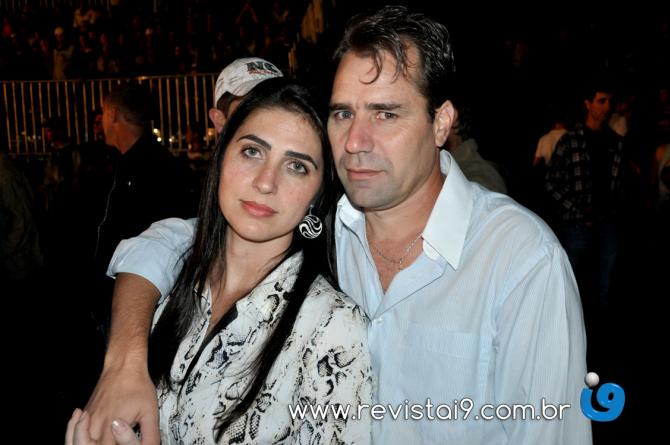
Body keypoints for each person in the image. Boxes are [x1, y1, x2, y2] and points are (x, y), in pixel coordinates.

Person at [77, 6, 591, 444]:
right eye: (343, 114)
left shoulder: (519, 259)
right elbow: (173, 242)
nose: (356, 141)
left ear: (441, 122)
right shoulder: (326, 227)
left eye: (385, 114)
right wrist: (124, 360)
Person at [68, 78, 372, 444]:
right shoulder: (172, 281)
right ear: (222, 156)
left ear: (317, 195)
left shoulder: (334, 328)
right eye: (252, 151)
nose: (266, 182)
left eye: (296, 166)